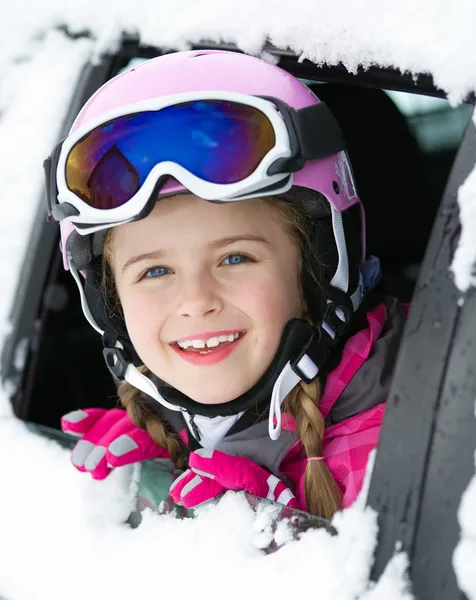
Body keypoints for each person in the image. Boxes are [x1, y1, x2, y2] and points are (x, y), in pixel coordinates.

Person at [44, 50, 405, 519]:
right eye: (155, 271)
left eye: (235, 258)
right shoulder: (189, 416)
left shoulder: (405, 453)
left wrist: (288, 548)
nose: (196, 302)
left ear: (318, 270)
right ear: (107, 300)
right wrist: (164, 463)